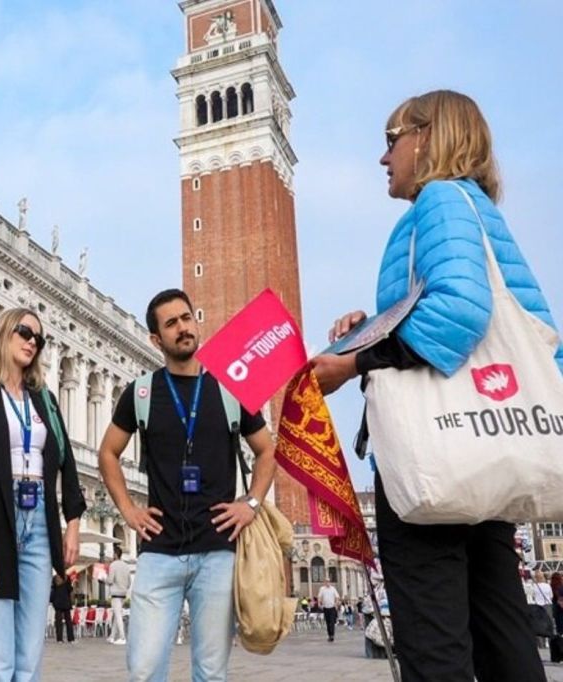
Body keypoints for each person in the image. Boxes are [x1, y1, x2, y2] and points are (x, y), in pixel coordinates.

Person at [312, 90, 559, 682]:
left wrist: (357, 361)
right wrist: (373, 322)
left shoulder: (441, 200)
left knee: (434, 646)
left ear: (425, 137)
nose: (383, 158)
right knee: (502, 635)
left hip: (435, 453)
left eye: (391, 140)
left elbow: (459, 311)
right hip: (479, 447)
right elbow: (522, 323)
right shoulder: (475, 207)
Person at [98, 288, 277, 681]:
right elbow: (107, 452)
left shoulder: (230, 388)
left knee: (211, 672)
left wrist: (250, 504)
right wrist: (128, 511)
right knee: (143, 669)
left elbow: (267, 451)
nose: (182, 328)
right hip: (159, 552)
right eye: (171, 323)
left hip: (217, 550)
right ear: (156, 339)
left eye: (186, 319)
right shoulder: (141, 393)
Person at [0, 307, 86, 681]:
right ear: (3, 334)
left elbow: (67, 460)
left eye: (39, 338)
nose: (32, 341)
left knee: (29, 655)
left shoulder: (44, 401)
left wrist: (73, 523)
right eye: (24, 332)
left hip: (40, 522)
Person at [107, 545, 132, 645]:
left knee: (118, 615)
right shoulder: (126, 565)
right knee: (117, 614)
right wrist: (125, 588)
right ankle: (112, 636)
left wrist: (104, 579)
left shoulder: (113, 565)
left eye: (113, 553)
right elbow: (129, 581)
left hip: (115, 593)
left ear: (115, 554)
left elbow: (110, 580)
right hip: (123, 593)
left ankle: (122, 637)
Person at [50, 574, 75, 644]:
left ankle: (59, 639)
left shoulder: (55, 578)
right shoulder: (67, 577)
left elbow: (53, 589)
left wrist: (52, 600)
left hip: (57, 602)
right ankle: (71, 639)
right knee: (68, 621)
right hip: (66, 601)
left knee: (58, 622)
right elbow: (69, 589)